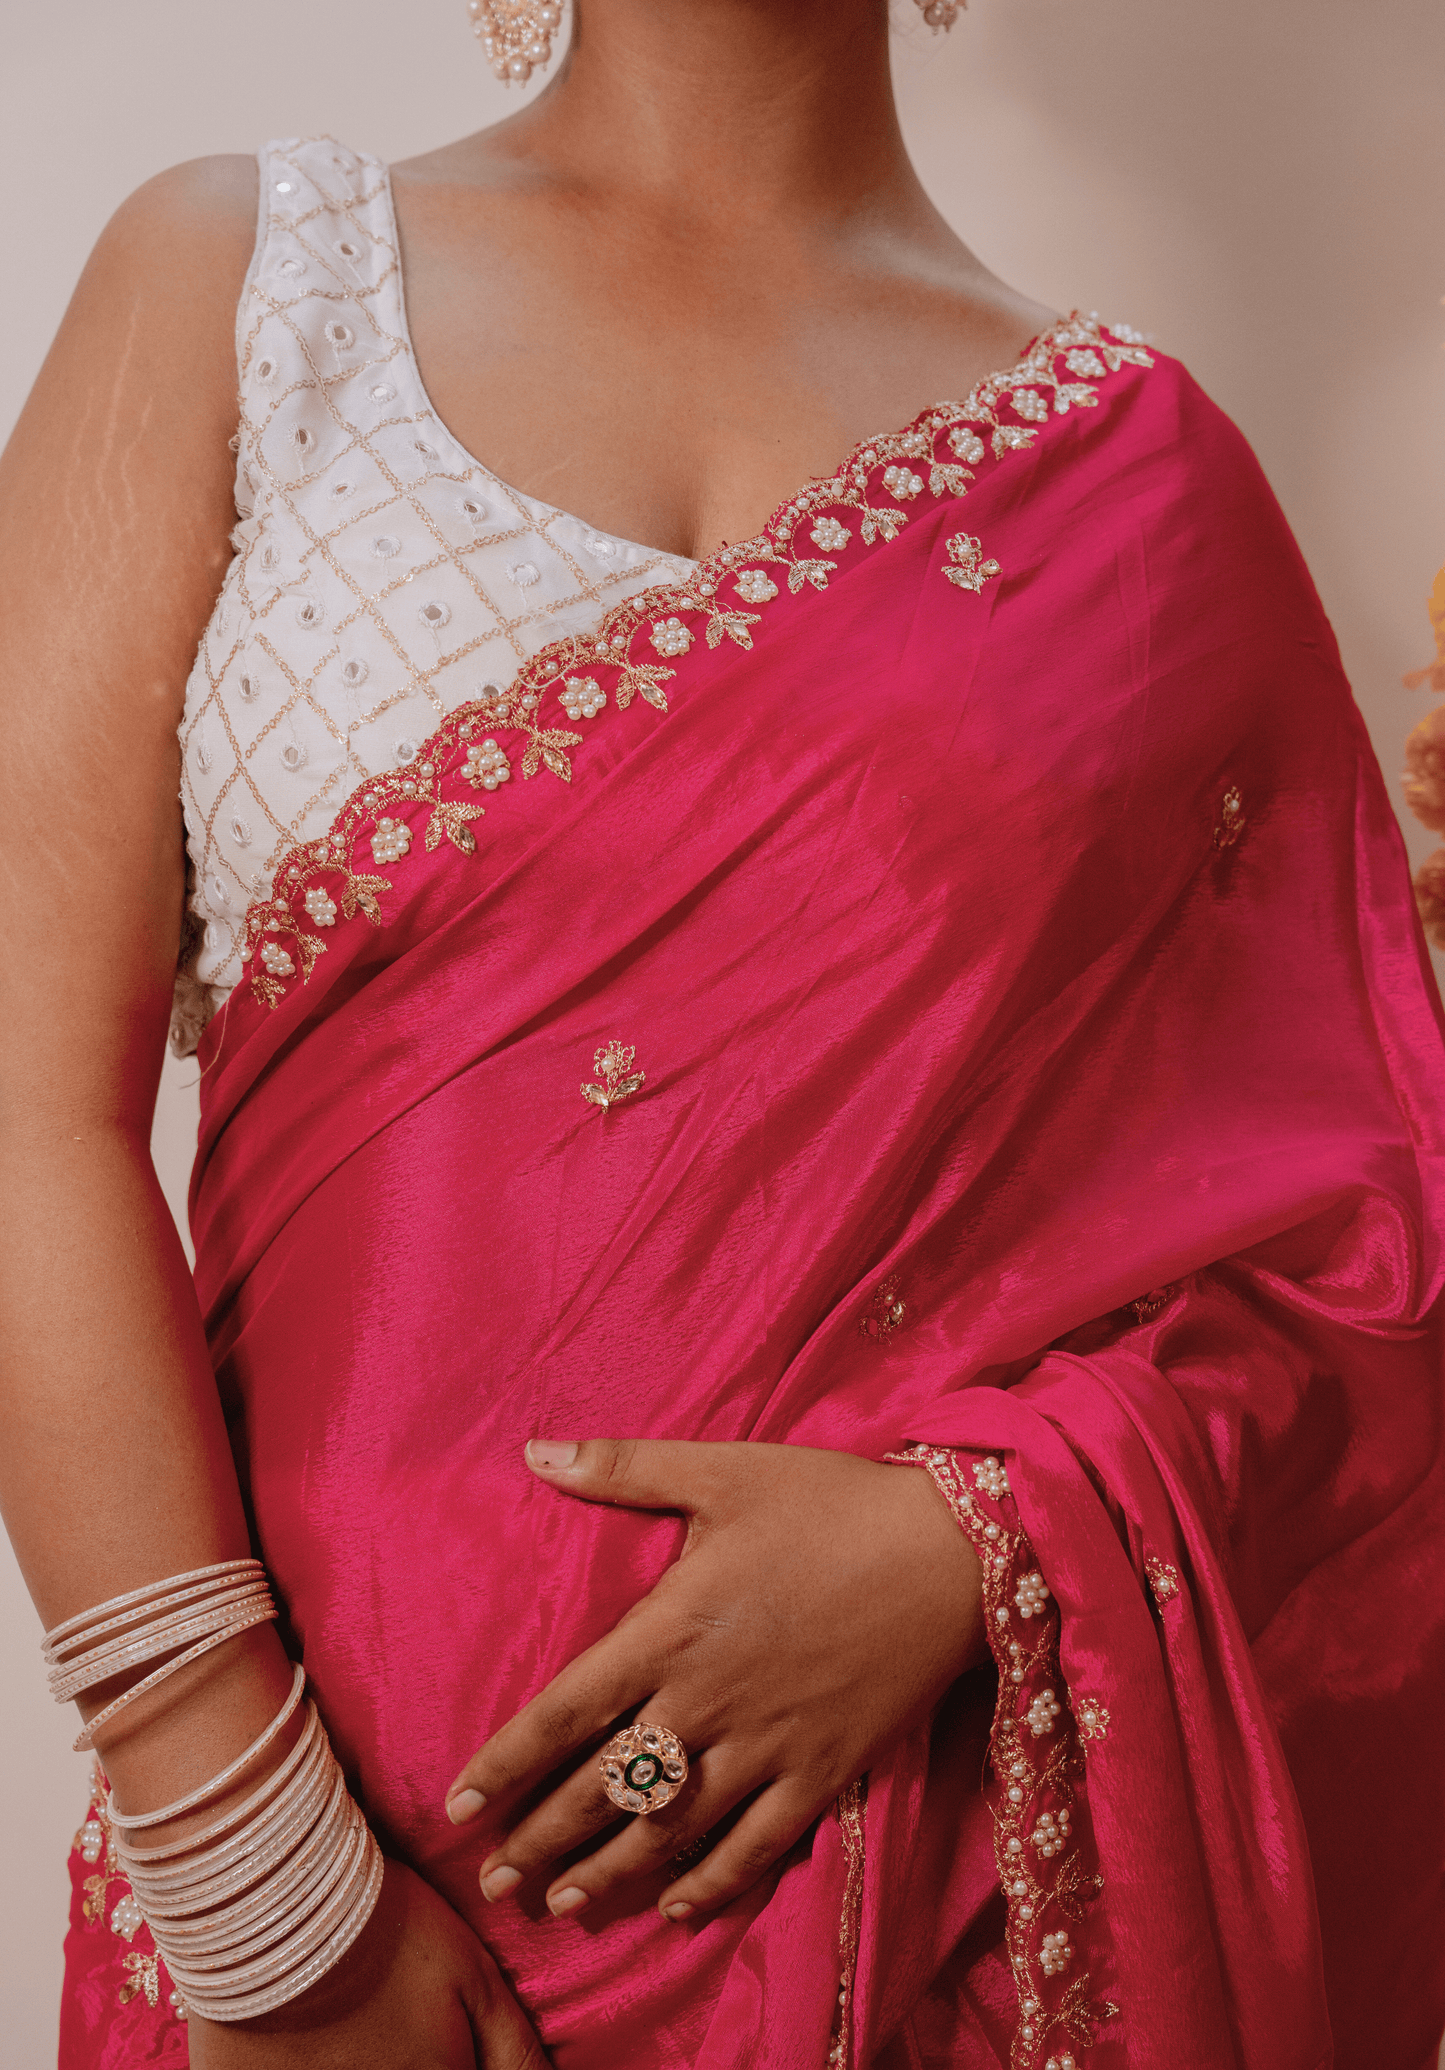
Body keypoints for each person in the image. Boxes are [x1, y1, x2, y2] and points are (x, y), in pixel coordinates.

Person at [2, 2, 1442, 2066]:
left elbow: (1355, 1260)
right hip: (317, 1882)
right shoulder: (246, 282)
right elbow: (16, 1107)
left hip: (946, 1895)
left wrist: (966, 1553)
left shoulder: (1146, 483)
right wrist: (268, 1903)